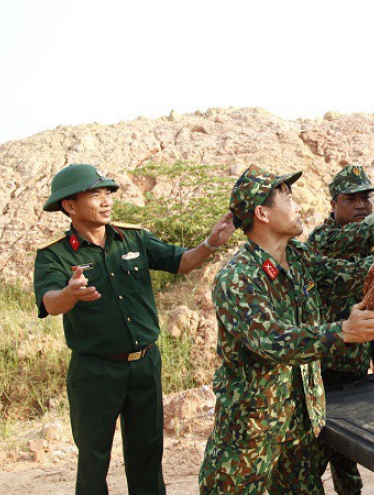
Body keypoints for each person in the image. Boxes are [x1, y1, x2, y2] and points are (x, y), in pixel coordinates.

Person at [33, 163, 235, 495]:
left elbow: (180, 262)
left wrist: (210, 243)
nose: (106, 201)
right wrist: (69, 293)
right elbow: (50, 302)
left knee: (147, 453)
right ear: (69, 205)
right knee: (94, 460)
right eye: (94, 195)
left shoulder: (134, 237)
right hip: (95, 370)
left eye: (107, 193)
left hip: (145, 364)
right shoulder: (54, 255)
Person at [198, 165, 374, 494]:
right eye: (287, 198)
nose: (297, 205)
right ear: (261, 212)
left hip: (301, 429)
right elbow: (274, 340)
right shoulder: (237, 277)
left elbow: (349, 275)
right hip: (252, 435)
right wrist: (343, 332)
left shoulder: (298, 257)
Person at [305, 164, 374, 495]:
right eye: (352, 198)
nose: (361, 204)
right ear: (334, 203)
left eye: (366, 197)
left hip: (354, 362)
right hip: (323, 362)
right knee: (314, 448)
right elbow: (363, 273)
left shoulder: (371, 240)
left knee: (348, 447)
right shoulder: (324, 238)